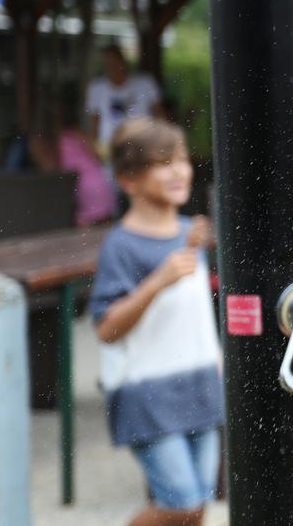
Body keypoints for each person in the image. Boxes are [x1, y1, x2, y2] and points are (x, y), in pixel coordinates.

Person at [88, 119, 222, 526]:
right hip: (147, 396)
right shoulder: (121, 245)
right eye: (163, 162)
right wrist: (157, 282)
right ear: (128, 179)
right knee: (179, 503)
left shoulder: (190, 232)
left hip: (200, 385)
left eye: (181, 159)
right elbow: (106, 328)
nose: (179, 170)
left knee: (198, 504)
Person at [28, 100, 115, 226]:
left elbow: (49, 173)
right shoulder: (76, 134)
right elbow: (97, 157)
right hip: (100, 184)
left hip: (79, 191)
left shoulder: (42, 143)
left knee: (82, 238)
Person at [86, 44, 163, 157]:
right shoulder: (97, 88)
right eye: (108, 63)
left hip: (141, 144)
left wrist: (159, 142)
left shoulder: (145, 83)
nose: (112, 67)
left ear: (123, 61)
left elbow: (159, 114)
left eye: (115, 62)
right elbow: (95, 121)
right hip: (111, 147)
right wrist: (93, 146)